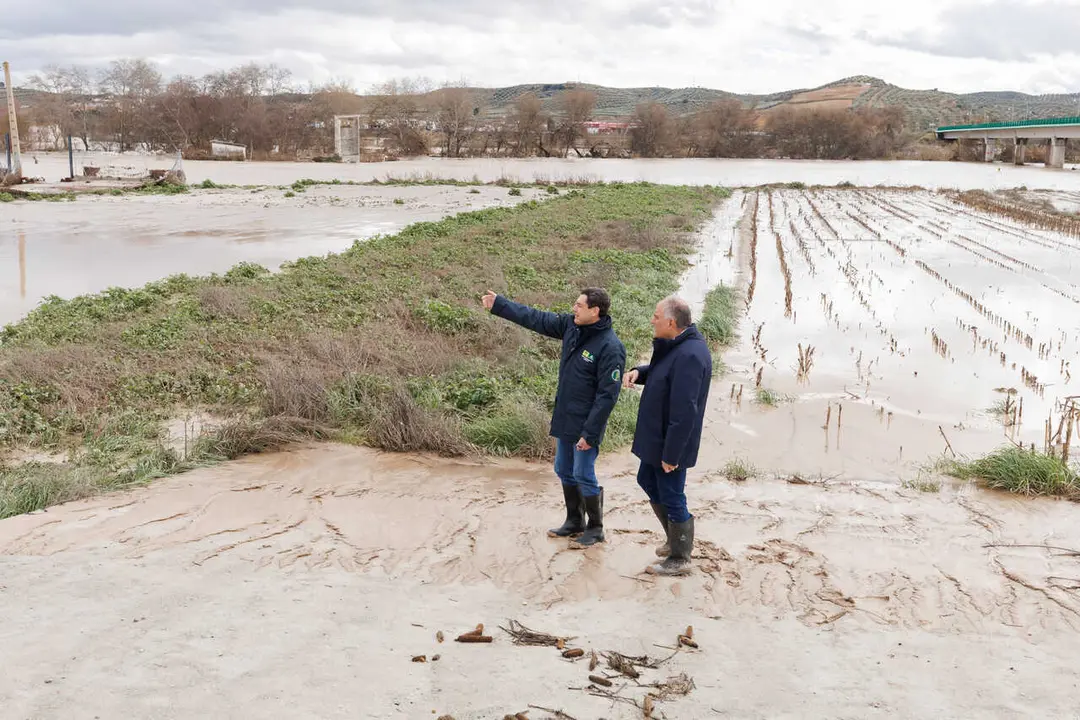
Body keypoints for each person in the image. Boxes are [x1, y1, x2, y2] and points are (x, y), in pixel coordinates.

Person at [482, 287, 626, 547]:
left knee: (583, 473)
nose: (574, 308)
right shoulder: (571, 327)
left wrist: (590, 433)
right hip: (565, 417)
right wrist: (499, 305)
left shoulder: (611, 347)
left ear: (595, 311)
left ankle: (595, 527)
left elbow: (607, 396)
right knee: (563, 469)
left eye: (579, 305)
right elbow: (535, 318)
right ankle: (574, 521)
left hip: (586, 424)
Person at [623, 296, 712, 576]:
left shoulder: (691, 355)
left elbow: (685, 411)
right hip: (657, 437)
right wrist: (641, 372)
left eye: (656, 316)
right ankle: (673, 539)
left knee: (672, 494)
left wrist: (672, 455)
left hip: (670, 442)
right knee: (646, 479)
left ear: (671, 322)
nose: (652, 320)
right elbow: (664, 373)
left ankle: (680, 557)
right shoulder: (677, 346)